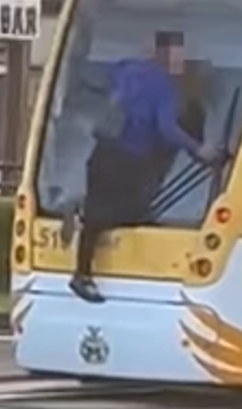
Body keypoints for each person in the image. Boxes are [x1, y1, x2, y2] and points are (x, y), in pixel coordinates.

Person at [67, 31, 220, 303]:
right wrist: (198, 148)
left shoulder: (126, 69)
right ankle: (82, 224)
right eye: (177, 55)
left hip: (101, 153)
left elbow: (100, 86)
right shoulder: (165, 87)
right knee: (129, 213)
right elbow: (167, 128)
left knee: (106, 214)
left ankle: (83, 271)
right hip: (128, 161)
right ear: (162, 53)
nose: (181, 61)